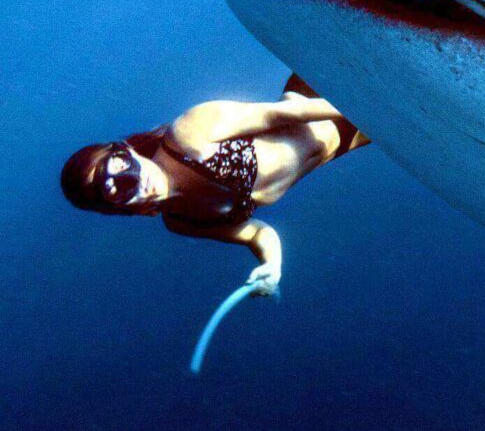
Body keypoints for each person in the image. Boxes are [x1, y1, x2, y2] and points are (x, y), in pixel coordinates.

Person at [60, 75, 367, 296]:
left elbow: (283, 113)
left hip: (325, 96)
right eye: (119, 190)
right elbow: (258, 233)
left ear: (126, 150)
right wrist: (273, 266)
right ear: (120, 209)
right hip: (345, 142)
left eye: (122, 164)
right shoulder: (184, 222)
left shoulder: (188, 135)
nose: (137, 179)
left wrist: (364, 106)